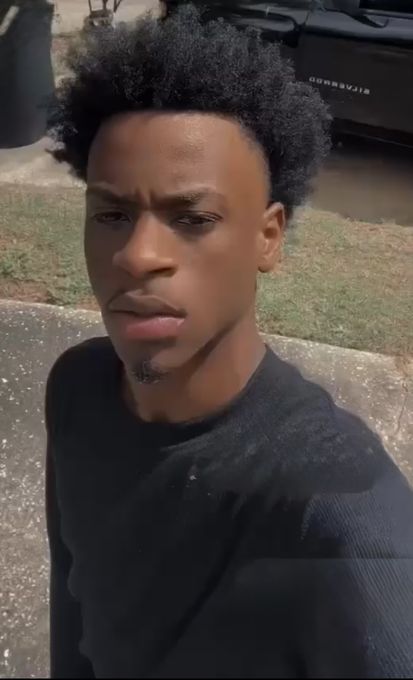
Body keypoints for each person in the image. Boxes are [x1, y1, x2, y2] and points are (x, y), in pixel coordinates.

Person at [45, 6, 413, 678]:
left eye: (192, 218)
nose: (137, 256)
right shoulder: (75, 389)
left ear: (267, 237)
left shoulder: (347, 519)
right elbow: (75, 620)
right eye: (112, 213)